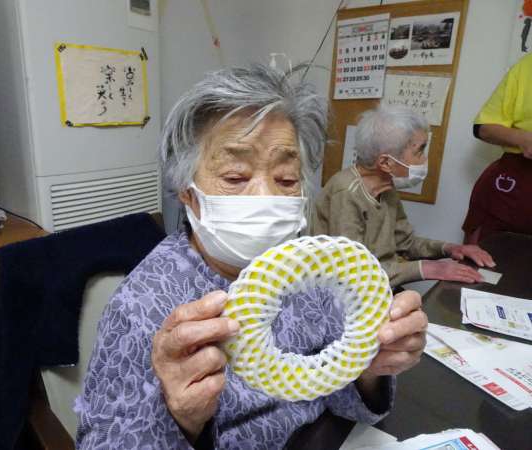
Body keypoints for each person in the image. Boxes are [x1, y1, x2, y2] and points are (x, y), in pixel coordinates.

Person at [74, 65, 429, 450]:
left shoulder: (311, 272)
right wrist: (182, 419)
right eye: (235, 177)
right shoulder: (142, 305)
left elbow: (337, 392)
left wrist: (370, 368)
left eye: (287, 179)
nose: (266, 196)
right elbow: (102, 440)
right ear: (188, 194)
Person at [313, 104, 495, 289]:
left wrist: (449, 249)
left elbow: (405, 242)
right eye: (419, 151)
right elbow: (351, 272)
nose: (424, 160)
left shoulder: (386, 188)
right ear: (386, 163)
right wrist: (427, 268)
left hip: (377, 286)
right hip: (345, 292)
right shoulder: (346, 192)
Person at [462, 53, 532, 244]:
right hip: (516, 183)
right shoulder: (526, 66)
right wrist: (523, 139)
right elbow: (482, 128)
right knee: (486, 256)